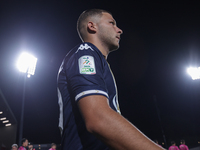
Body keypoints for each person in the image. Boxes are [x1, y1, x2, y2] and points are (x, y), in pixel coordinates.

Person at [57, 8, 165, 150]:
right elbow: (98, 118)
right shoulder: (86, 52)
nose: (119, 30)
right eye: (112, 23)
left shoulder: (98, 60)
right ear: (92, 26)